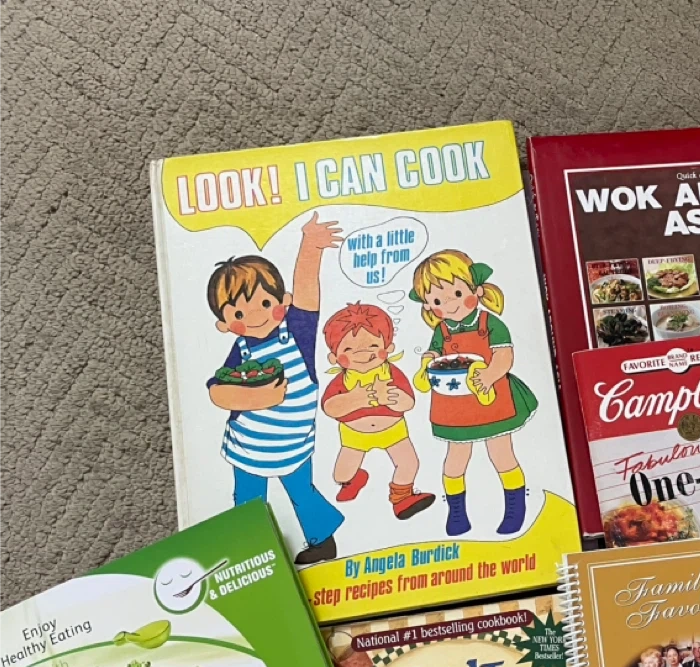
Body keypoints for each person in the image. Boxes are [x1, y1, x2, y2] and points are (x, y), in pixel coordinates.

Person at [206, 212, 344, 563]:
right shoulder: (241, 350)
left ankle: (322, 542)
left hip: (294, 443)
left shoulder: (297, 332)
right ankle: (253, 550)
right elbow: (217, 390)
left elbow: (307, 287)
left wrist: (311, 245)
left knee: (303, 493)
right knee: (248, 500)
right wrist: (257, 397)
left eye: (264, 304)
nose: (254, 316)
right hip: (249, 445)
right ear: (224, 325)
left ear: (284, 301)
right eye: (238, 314)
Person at [411, 250, 538, 537]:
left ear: (476, 290)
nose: (450, 304)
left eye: (457, 293)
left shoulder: (491, 323)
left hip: (492, 397)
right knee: (455, 458)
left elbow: (504, 357)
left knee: (501, 453)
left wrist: (490, 376)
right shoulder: (441, 330)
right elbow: (434, 352)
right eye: (438, 301)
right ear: (429, 306)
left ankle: (515, 509)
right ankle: (457, 513)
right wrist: (426, 363)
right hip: (454, 403)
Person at [319, 303, 434, 518]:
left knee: (409, 463)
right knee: (341, 475)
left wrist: (393, 398)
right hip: (355, 435)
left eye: (372, 345)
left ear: (388, 348)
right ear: (334, 358)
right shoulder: (342, 380)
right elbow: (329, 407)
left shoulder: (391, 372)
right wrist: (357, 399)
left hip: (393, 431)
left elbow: (408, 402)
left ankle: (402, 499)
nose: (362, 354)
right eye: (348, 350)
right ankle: (354, 480)